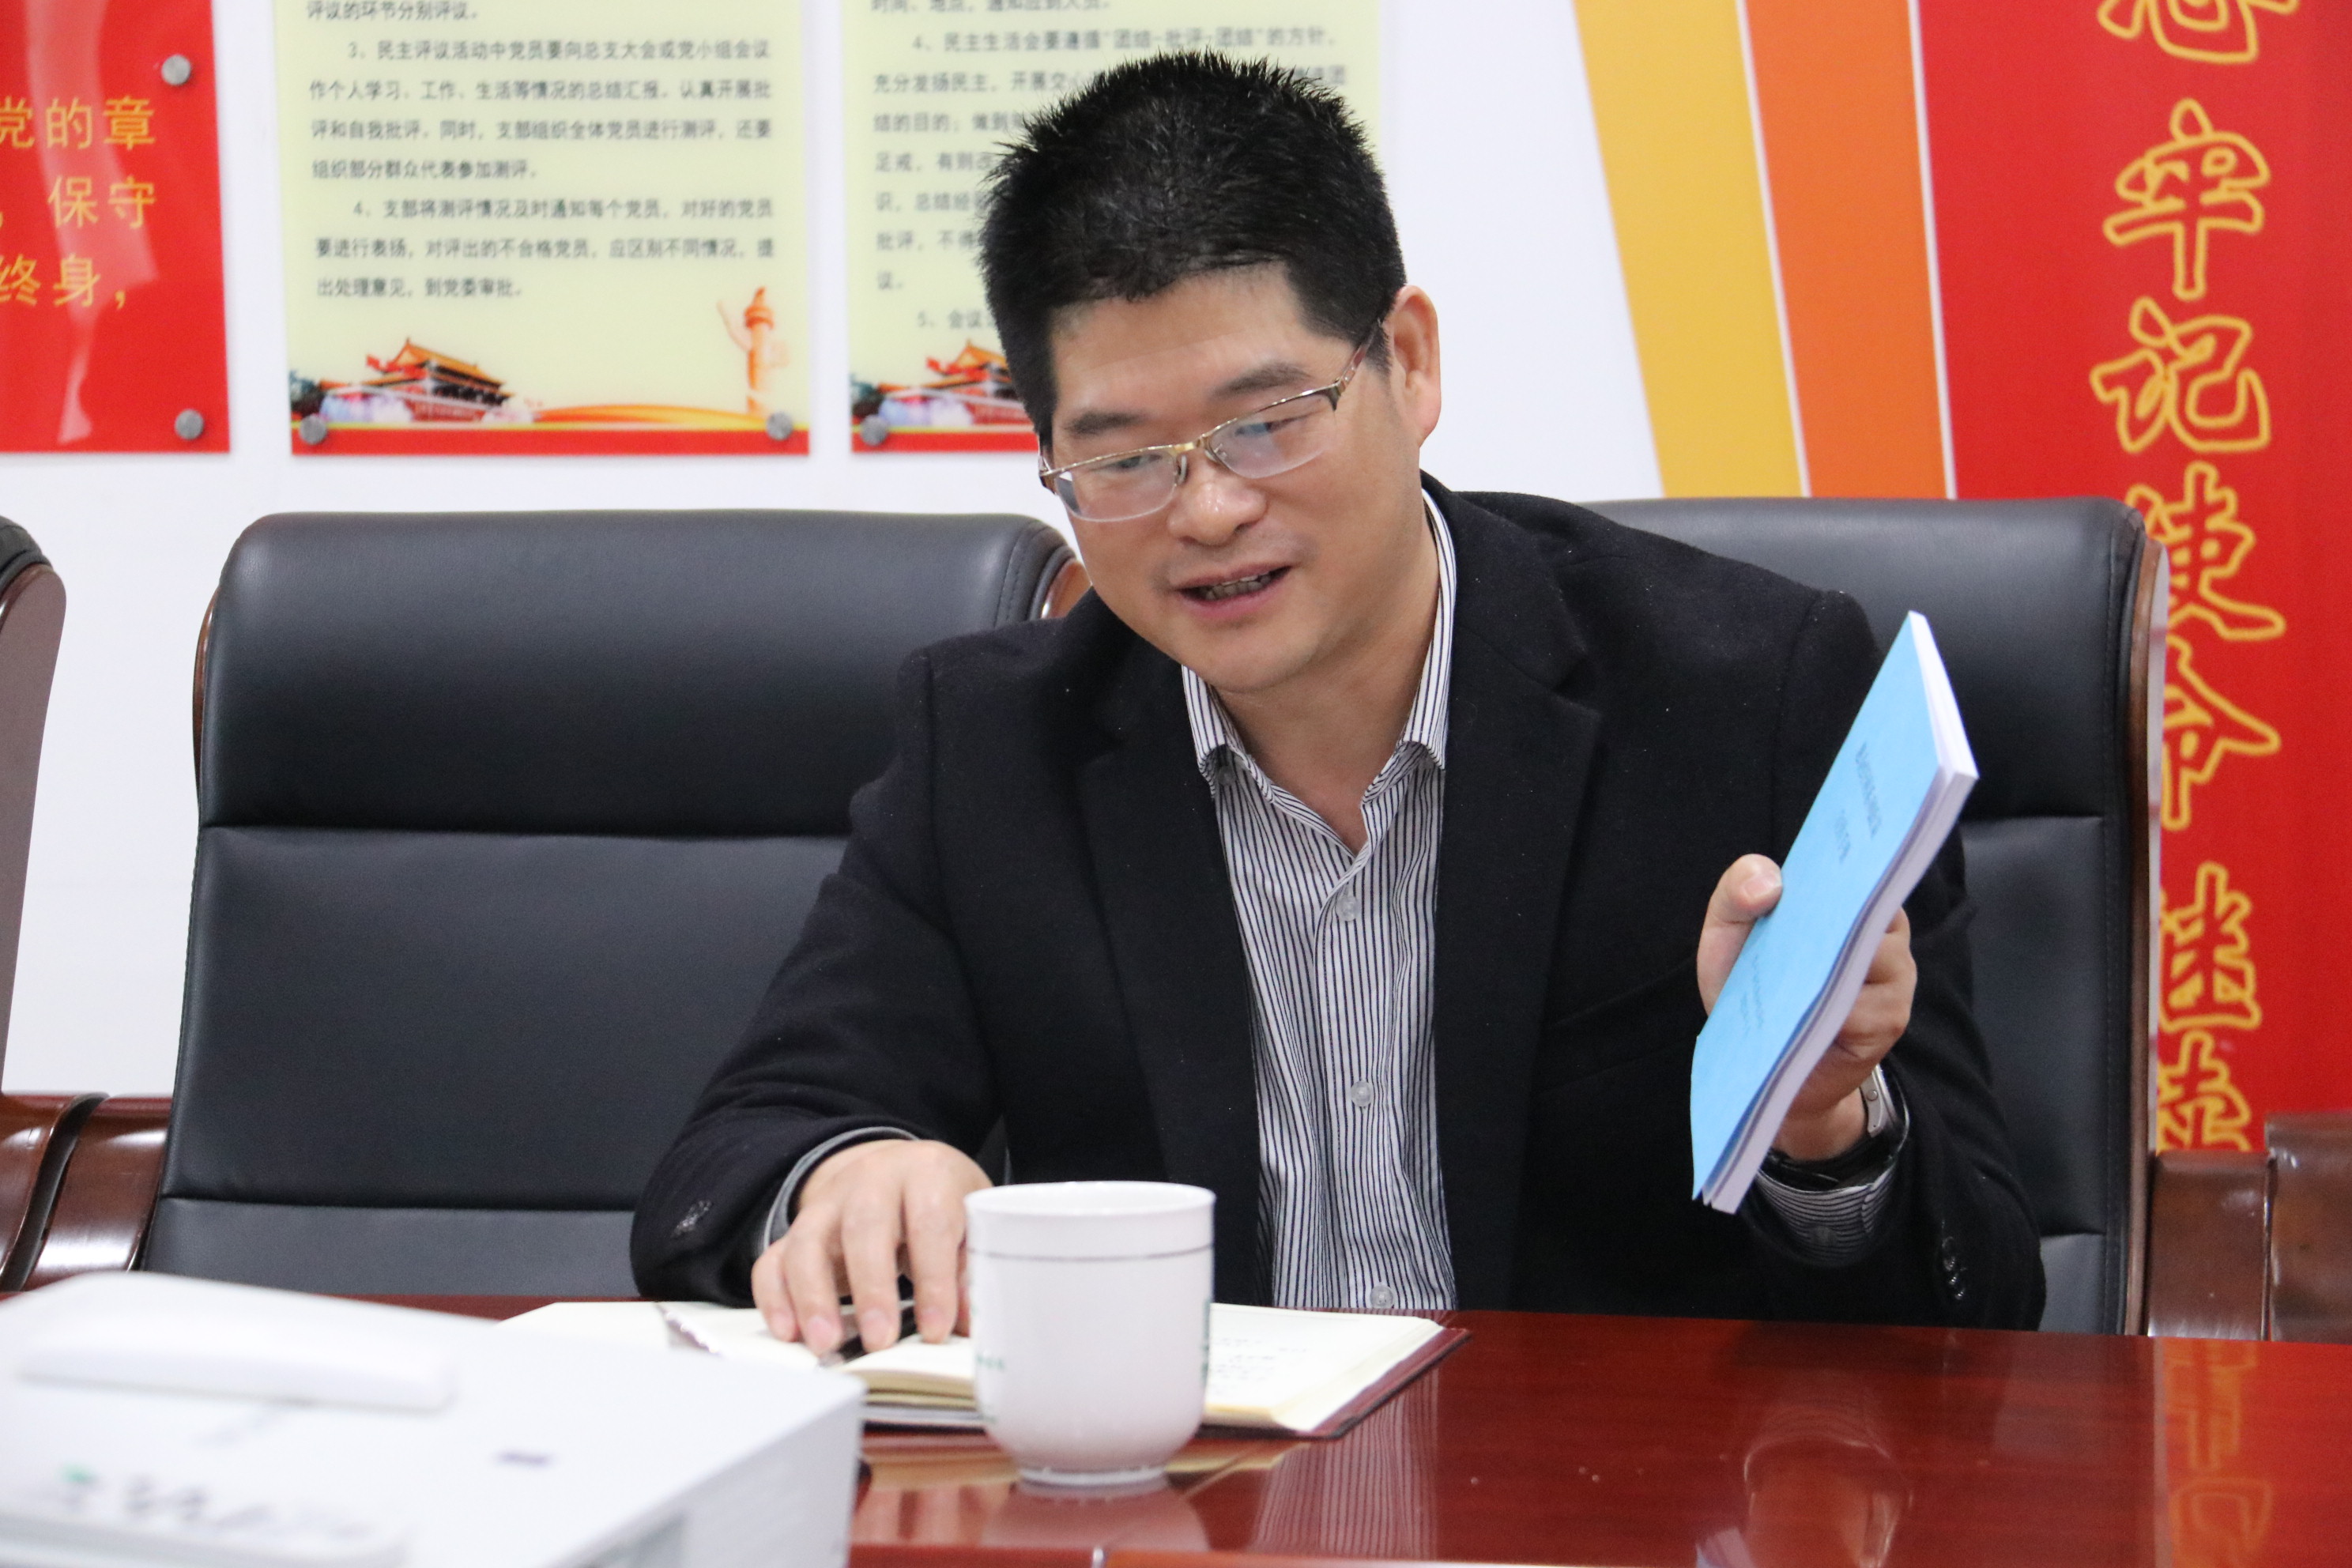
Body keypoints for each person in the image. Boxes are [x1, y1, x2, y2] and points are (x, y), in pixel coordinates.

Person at [632, 53, 2043, 1350]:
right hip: (1188, 1496)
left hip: (1605, 1501)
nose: (1207, 511)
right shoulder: (996, 748)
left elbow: (1984, 1302)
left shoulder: (1749, 693)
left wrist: (1820, 1125)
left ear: (1408, 364)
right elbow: (727, 1164)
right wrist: (848, 1173)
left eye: (1264, 422)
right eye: (1121, 459)